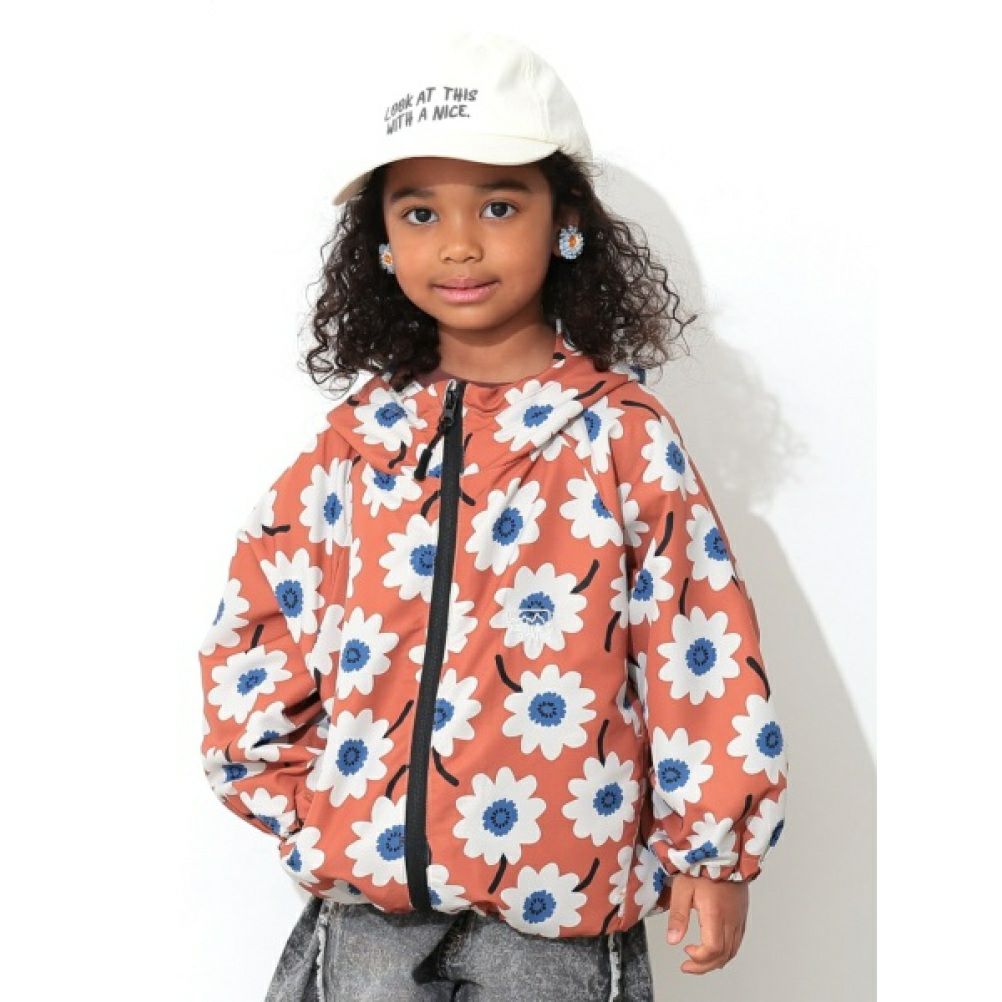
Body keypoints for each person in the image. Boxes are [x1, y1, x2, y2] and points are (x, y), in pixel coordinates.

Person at [197, 29, 789, 1002]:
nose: (459, 243)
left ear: (566, 222)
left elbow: (697, 643)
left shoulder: (620, 436)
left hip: (555, 917)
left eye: (500, 205)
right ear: (381, 243)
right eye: (420, 211)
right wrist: (304, 802)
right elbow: (256, 617)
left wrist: (715, 848)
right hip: (370, 918)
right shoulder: (354, 445)